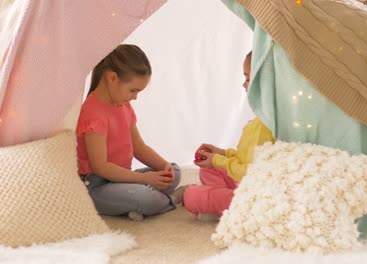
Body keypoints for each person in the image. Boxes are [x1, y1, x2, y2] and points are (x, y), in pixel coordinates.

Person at [76, 44, 185, 221]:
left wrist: (163, 166)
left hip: (122, 178)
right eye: (133, 90)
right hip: (96, 186)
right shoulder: (93, 113)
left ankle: (134, 207)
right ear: (112, 78)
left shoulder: (124, 106)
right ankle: (170, 200)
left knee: (174, 171)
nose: (135, 97)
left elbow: (139, 147)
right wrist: (144, 180)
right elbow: (100, 166)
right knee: (144, 196)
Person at [183, 51, 275, 220]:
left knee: (191, 195)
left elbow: (254, 172)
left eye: (247, 78)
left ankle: (227, 206)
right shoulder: (260, 120)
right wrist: (222, 153)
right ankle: (222, 203)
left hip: (257, 196)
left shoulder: (265, 127)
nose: (243, 84)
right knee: (209, 171)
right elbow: (245, 158)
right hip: (245, 183)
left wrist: (219, 160)